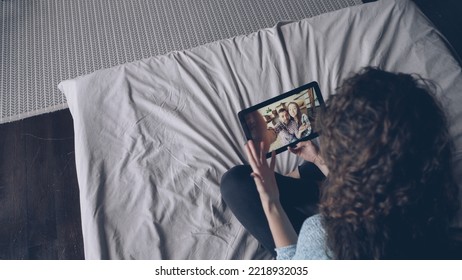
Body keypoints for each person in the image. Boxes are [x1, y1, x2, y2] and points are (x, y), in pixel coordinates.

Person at [221, 67, 459, 259]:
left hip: (328, 243)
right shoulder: (444, 236)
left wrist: (270, 202)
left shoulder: (318, 235)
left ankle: (313, 182)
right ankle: (317, 177)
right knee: (310, 166)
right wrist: (319, 159)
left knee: (235, 183)